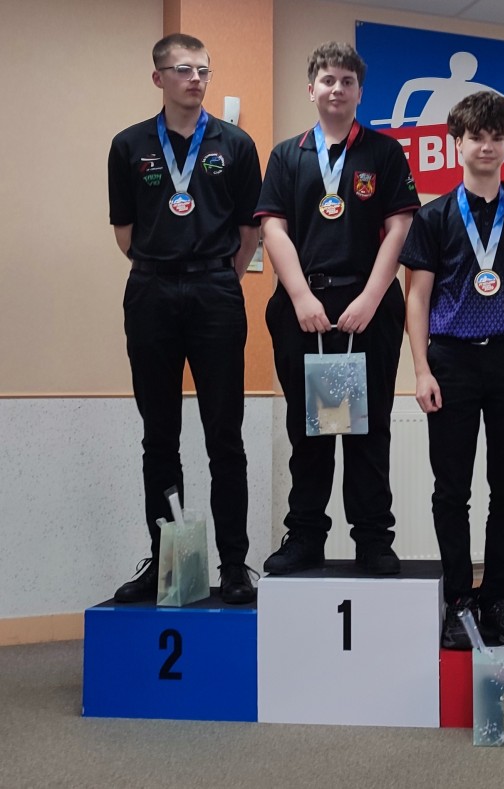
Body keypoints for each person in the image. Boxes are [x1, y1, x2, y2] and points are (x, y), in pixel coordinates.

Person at [400, 92, 504, 649]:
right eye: (476, 136)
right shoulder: (433, 217)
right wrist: (421, 369)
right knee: (451, 490)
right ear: (457, 143)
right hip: (450, 359)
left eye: (497, 137)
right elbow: (417, 298)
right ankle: (458, 599)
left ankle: (497, 594)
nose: (487, 146)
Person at [108, 33, 262, 604]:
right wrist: (165, 267)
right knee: (159, 438)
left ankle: (234, 565)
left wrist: (213, 275)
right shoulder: (129, 146)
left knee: (226, 436)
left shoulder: (235, 145)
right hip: (150, 290)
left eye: (203, 70)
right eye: (183, 69)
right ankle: (167, 564)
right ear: (159, 78)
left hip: (215, 293)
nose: (195, 79)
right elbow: (125, 233)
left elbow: (249, 233)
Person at [255, 42, 420, 575]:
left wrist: (371, 297)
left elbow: (400, 227)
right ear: (312, 89)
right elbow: (273, 228)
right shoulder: (288, 155)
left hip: (368, 307)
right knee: (311, 432)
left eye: (347, 81)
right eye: (328, 80)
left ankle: (373, 541)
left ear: (359, 91)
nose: (337, 89)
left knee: (367, 431)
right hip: (305, 310)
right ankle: (305, 537)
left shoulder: (384, 153)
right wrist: (301, 297)